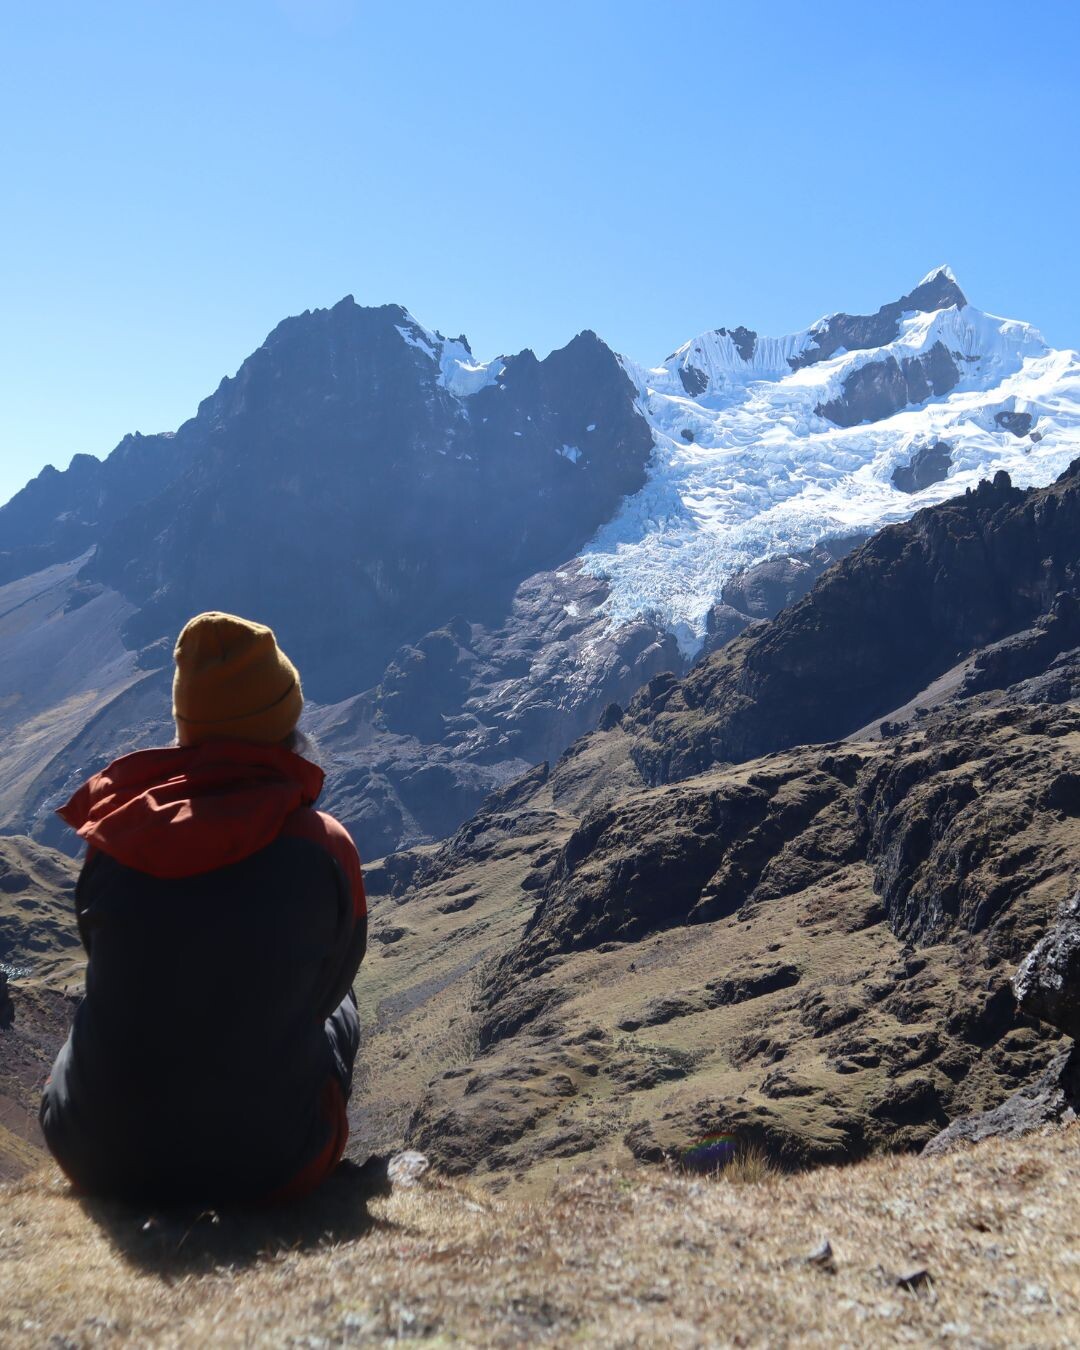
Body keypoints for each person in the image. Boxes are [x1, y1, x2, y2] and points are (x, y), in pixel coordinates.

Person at [40, 612, 367, 1205]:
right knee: (342, 1006)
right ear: (286, 722)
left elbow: (98, 950)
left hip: (95, 1156)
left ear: (185, 724)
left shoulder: (114, 838)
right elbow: (330, 984)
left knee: (100, 1001)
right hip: (268, 1167)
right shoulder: (324, 847)